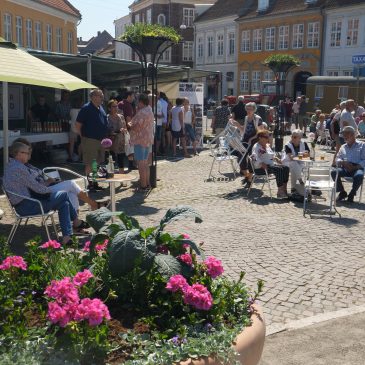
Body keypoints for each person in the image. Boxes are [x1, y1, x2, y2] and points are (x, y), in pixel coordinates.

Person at [3, 141, 90, 245]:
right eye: (26, 153)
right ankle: (76, 222)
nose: (29, 155)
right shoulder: (19, 168)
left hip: (25, 203)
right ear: (17, 153)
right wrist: (53, 187)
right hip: (27, 206)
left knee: (64, 203)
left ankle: (67, 237)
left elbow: (34, 186)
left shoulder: (11, 165)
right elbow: (38, 189)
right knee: (63, 194)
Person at [75, 89, 109, 190]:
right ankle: (90, 184)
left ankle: (95, 183)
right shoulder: (86, 108)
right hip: (90, 140)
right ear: (93, 97)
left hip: (100, 140)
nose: (102, 97)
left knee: (96, 163)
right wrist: (83, 138)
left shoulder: (101, 107)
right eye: (100, 95)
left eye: (102, 95)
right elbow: (77, 125)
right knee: (90, 163)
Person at [230, 102, 264, 184]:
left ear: (254, 109)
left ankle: (249, 178)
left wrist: (252, 138)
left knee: (251, 159)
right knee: (240, 158)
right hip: (245, 140)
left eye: (250, 109)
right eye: (247, 109)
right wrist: (236, 124)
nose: (248, 110)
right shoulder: (246, 118)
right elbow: (243, 130)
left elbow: (261, 132)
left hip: (254, 140)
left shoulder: (258, 118)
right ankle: (247, 176)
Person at [251, 130, 289, 198]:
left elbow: (271, 155)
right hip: (261, 168)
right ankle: (280, 192)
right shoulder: (256, 147)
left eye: (268, 137)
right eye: (266, 137)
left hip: (270, 165)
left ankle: (284, 189)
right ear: (260, 137)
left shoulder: (267, 146)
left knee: (286, 168)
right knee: (279, 169)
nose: (268, 138)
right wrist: (261, 163)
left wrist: (276, 158)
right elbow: (254, 157)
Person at [331, 126, 365, 203]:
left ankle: (352, 193)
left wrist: (356, 167)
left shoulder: (362, 145)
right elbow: (337, 159)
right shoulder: (343, 146)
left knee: (359, 175)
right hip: (345, 167)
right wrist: (343, 162)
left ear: (352, 134)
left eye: (346, 134)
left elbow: (364, 160)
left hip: (357, 167)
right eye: (343, 134)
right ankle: (342, 192)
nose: (344, 136)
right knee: (333, 172)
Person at [128, 93, 154, 190]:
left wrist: (130, 126)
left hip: (140, 140)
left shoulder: (142, 112)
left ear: (140, 102)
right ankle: (147, 184)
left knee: (141, 164)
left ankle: (143, 185)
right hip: (148, 140)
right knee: (145, 163)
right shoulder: (149, 110)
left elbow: (137, 127)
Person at [107, 99, 128, 173]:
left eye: (117, 106)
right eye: (114, 106)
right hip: (112, 143)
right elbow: (109, 131)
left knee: (121, 160)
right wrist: (119, 131)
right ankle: (111, 179)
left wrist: (125, 130)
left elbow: (125, 127)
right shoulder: (107, 118)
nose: (116, 108)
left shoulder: (121, 116)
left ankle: (122, 178)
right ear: (109, 108)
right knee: (111, 161)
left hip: (121, 142)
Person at [68, 97, 82, 162]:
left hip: (73, 128)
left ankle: (70, 157)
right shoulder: (82, 110)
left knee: (72, 144)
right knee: (79, 144)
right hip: (80, 130)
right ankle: (79, 158)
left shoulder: (72, 110)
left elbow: (71, 117)